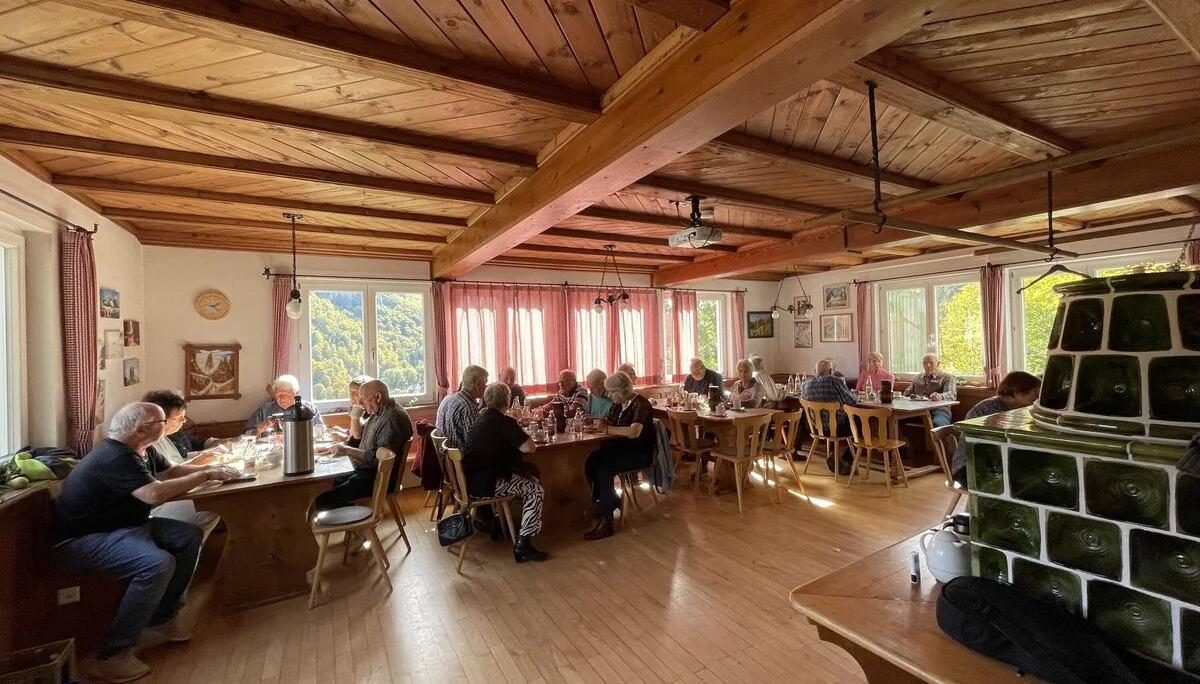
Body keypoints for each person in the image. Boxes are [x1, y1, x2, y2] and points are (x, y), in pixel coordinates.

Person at [52, 403, 239, 682]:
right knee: (156, 564)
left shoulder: (142, 448)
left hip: (129, 526)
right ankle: (112, 654)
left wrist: (215, 467)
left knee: (188, 535)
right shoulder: (114, 457)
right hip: (85, 539)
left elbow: (173, 471)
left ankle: (162, 618)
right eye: (163, 421)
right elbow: (153, 494)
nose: (169, 424)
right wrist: (205, 475)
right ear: (142, 429)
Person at [462, 383, 549, 563]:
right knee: (535, 490)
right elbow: (530, 448)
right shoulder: (504, 422)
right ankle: (524, 542)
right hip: (487, 484)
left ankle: (498, 524)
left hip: (469, 480)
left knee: (529, 479)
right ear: (507, 400)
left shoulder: (481, 418)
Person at [316, 379, 414, 511]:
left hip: (379, 479)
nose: (360, 402)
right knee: (324, 482)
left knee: (320, 499)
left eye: (363, 398)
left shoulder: (392, 418)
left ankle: (357, 521)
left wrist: (347, 450)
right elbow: (358, 439)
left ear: (378, 397)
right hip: (365, 471)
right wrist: (343, 445)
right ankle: (355, 520)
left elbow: (377, 460)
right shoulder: (378, 413)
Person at [141, 390, 224, 541]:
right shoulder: (134, 448)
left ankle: (189, 549)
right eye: (179, 418)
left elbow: (172, 470)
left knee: (216, 503)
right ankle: (185, 549)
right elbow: (156, 493)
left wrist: (211, 469)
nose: (184, 421)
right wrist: (206, 474)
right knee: (211, 509)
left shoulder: (154, 442)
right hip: (143, 514)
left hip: (161, 500)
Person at [583, 373, 655, 541]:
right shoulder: (618, 405)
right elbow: (610, 422)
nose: (609, 395)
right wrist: (595, 421)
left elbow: (634, 432)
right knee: (590, 461)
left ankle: (606, 520)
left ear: (622, 391)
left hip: (638, 453)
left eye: (612, 392)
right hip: (619, 450)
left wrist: (606, 429)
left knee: (604, 468)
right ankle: (610, 500)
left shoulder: (640, 404)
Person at [951, 372, 1041, 487]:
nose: (1037, 398)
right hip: (968, 468)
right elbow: (991, 449)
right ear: (1018, 392)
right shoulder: (990, 409)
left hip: (989, 464)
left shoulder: (1013, 408)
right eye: (1035, 393)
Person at [801, 359, 858, 475]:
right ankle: (846, 459)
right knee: (859, 423)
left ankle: (834, 455)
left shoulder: (806, 384)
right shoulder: (834, 381)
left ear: (814, 371)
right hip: (838, 429)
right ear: (831, 371)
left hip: (817, 429)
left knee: (835, 421)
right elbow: (851, 401)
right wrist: (856, 396)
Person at [244, 374, 324, 435]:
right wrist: (257, 431)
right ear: (274, 395)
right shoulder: (264, 410)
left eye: (287, 394)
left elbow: (322, 431)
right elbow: (246, 435)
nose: (282, 398)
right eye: (279, 395)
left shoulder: (309, 408)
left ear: (296, 394)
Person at [436, 365, 488, 449]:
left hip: (452, 457)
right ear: (477, 384)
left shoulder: (453, 399)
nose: (486, 387)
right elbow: (475, 442)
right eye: (485, 383)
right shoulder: (468, 406)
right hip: (464, 458)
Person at [903, 354, 958, 427]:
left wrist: (940, 396)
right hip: (916, 411)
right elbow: (906, 394)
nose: (928, 365)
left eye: (931, 363)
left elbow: (952, 394)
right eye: (925, 363)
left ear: (938, 364)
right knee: (893, 420)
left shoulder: (948, 377)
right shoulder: (916, 378)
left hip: (939, 410)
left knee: (937, 424)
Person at [347, 375, 373, 444]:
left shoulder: (373, 412)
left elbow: (356, 440)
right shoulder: (364, 411)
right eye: (350, 393)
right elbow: (354, 434)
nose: (352, 397)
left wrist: (345, 439)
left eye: (356, 393)